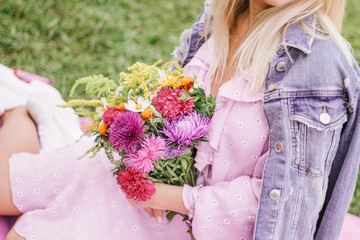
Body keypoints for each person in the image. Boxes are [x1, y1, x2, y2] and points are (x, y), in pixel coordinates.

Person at [1, 0, 360, 239]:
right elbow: (171, 99)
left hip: (193, 223)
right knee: (7, 189)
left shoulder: (318, 68)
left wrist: (166, 196)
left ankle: (32, 107)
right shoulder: (223, 15)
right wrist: (140, 154)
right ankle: (26, 110)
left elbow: (278, 202)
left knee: (30, 233)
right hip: (143, 180)